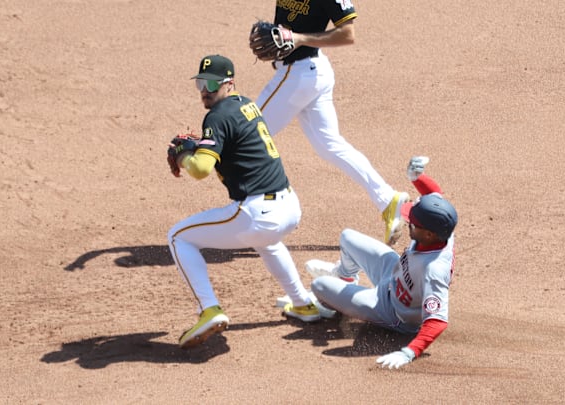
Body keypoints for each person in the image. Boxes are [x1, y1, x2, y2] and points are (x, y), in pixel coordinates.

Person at [166, 54, 321, 350]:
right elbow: (233, 142)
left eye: (211, 83)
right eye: (200, 83)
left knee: (177, 236)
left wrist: (187, 155)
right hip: (288, 206)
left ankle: (209, 309)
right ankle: (303, 303)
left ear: (229, 83)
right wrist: (202, 145)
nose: (204, 90)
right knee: (268, 242)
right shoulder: (246, 104)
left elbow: (200, 169)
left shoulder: (217, 115)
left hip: (259, 212)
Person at [253, 0, 409, 245]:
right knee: (330, 145)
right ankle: (387, 199)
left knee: (248, 134)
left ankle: (269, 213)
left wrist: (299, 38)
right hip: (311, 72)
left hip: (299, 74)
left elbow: (348, 34)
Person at [305, 156, 457, 369]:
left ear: (430, 234)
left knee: (319, 286)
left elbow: (438, 321)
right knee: (347, 236)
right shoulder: (443, 228)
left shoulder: (433, 270)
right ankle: (345, 276)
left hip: (390, 310)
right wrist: (417, 178)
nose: (408, 222)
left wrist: (408, 352)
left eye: (413, 223)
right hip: (392, 272)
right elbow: (434, 196)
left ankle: (334, 304)